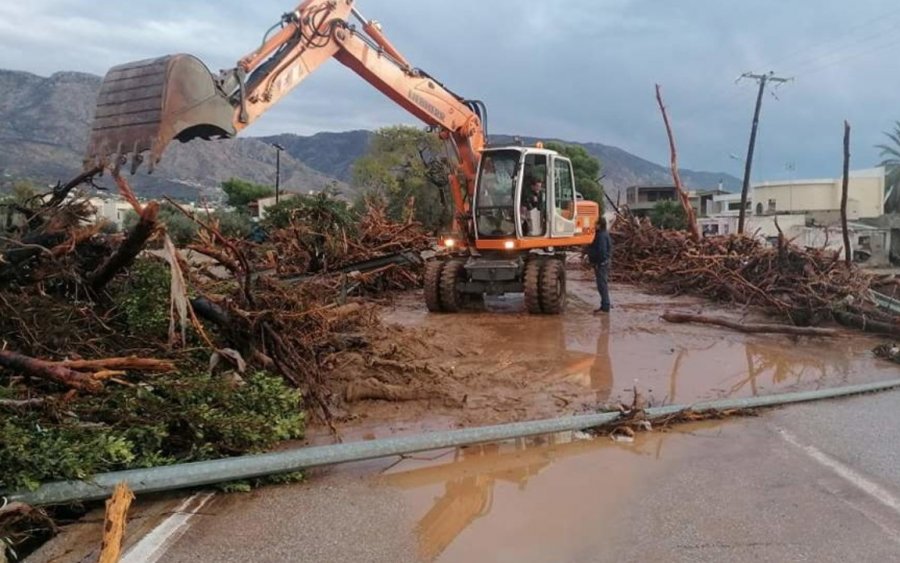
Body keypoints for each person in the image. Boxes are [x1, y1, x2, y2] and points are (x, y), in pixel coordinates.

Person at [589, 216, 612, 313]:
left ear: (599, 225)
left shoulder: (601, 235)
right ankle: (604, 305)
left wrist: (598, 262)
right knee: (602, 285)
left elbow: (602, 251)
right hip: (603, 262)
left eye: (596, 224)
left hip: (601, 263)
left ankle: (605, 307)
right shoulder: (603, 234)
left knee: (602, 285)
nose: (594, 226)